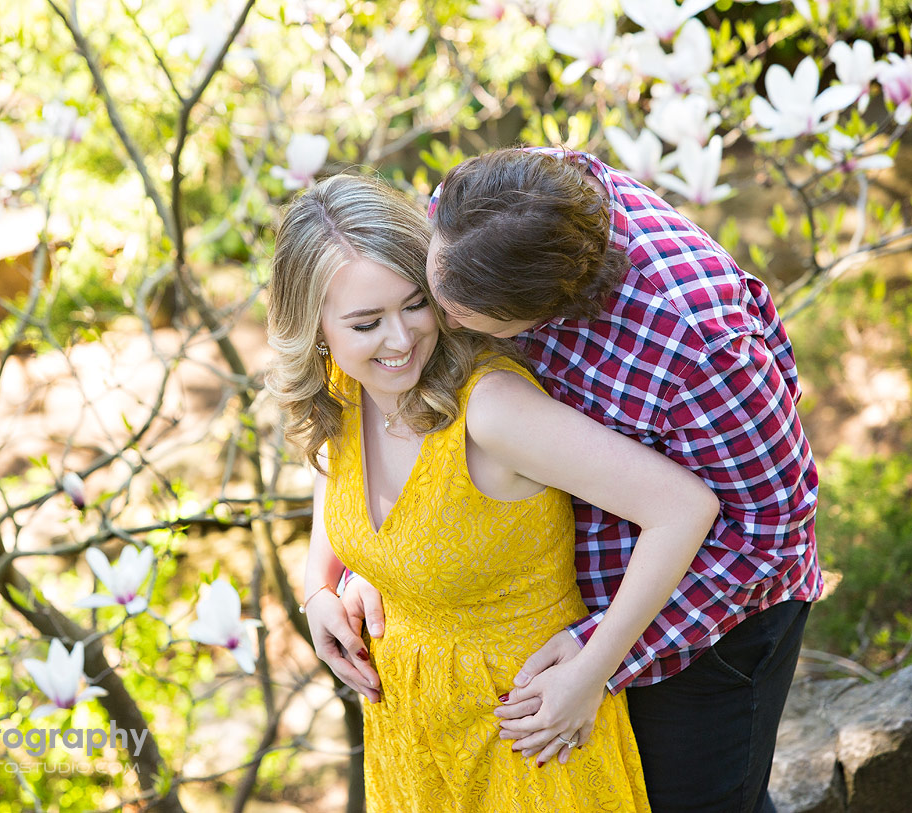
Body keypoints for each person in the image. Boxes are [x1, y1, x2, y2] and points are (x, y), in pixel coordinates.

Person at [325, 147, 823, 813]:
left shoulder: (698, 343)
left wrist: (601, 657)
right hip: (566, 592)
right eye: (427, 288)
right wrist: (385, 557)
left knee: (692, 801)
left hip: (710, 610)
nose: (429, 327)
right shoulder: (484, 208)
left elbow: (769, 535)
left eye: (459, 316)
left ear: (550, 314)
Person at [267, 172, 719, 812]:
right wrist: (320, 584)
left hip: (529, 740)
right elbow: (336, 479)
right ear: (315, 331)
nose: (401, 341)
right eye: (367, 322)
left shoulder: (492, 410)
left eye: (416, 304)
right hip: (411, 739)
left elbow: (683, 508)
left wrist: (594, 671)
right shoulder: (345, 387)